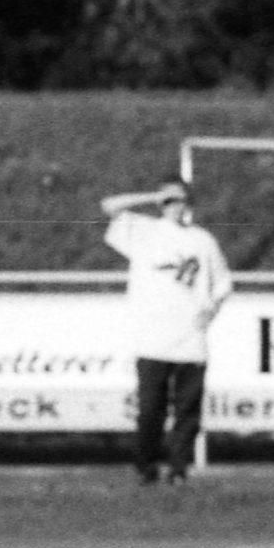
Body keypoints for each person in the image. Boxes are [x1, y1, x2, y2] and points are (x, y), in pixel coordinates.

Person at [102, 178, 233, 485]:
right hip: (152, 338)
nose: (175, 207)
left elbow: (224, 281)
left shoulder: (202, 240)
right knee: (150, 410)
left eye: (180, 200)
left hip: (190, 338)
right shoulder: (143, 231)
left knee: (188, 412)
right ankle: (146, 467)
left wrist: (212, 308)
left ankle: (178, 469)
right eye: (169, 201)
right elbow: (108, 206)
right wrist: (152, 195)